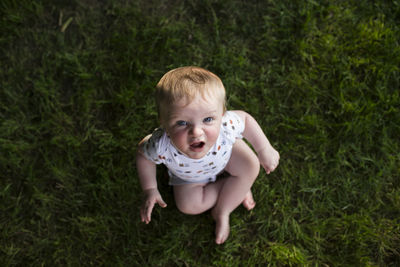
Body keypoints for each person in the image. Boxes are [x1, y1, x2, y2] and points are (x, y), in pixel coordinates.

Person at [136, 66, 280, 244]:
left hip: (224, 155)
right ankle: (236, 188)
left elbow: (246, 119)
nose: (196, 132)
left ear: (222, 114)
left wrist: (263, 148)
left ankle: (223, 210)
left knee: (250, 165)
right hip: (189, 177)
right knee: (188, 205)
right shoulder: (161, 145)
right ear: (164, 123)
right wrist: (150, 188)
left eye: (208, 120)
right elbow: (143, 155)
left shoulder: (227, 125)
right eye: (181, 123)